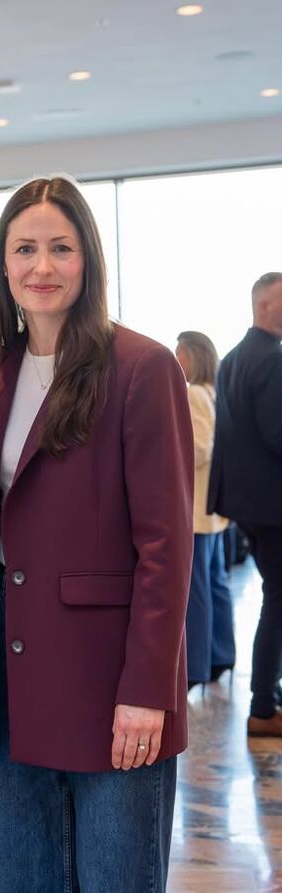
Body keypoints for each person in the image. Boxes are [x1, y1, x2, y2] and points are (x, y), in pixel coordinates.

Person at [0, 176, 194, 892]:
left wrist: (147, 689)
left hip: (110, 677)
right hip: (11, 671)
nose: (42, 266)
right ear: (3, 264)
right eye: (24, 249)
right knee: (24, 878)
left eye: (61, 248)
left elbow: (167, 547)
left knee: (116, 876)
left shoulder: (142, 367)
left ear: (89, 259)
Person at [208, 272, 282, 737]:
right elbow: (277, 434)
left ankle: (269, 698)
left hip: (245, 504)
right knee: (278, 600)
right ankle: (263, 708)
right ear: (265, 306)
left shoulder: (233, 357)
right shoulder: (272, 358)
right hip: (272, 505)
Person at [175, 331, 236, 689]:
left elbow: (200, 447)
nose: (176, 360)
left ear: (193, 356)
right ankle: (221, 654)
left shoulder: (194, 393)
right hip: (210, 510)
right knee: (215, 583)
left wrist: (168, 457)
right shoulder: (214, 391)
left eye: (180, 353)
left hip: (197, 509)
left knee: (195, 589)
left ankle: (196, 666)